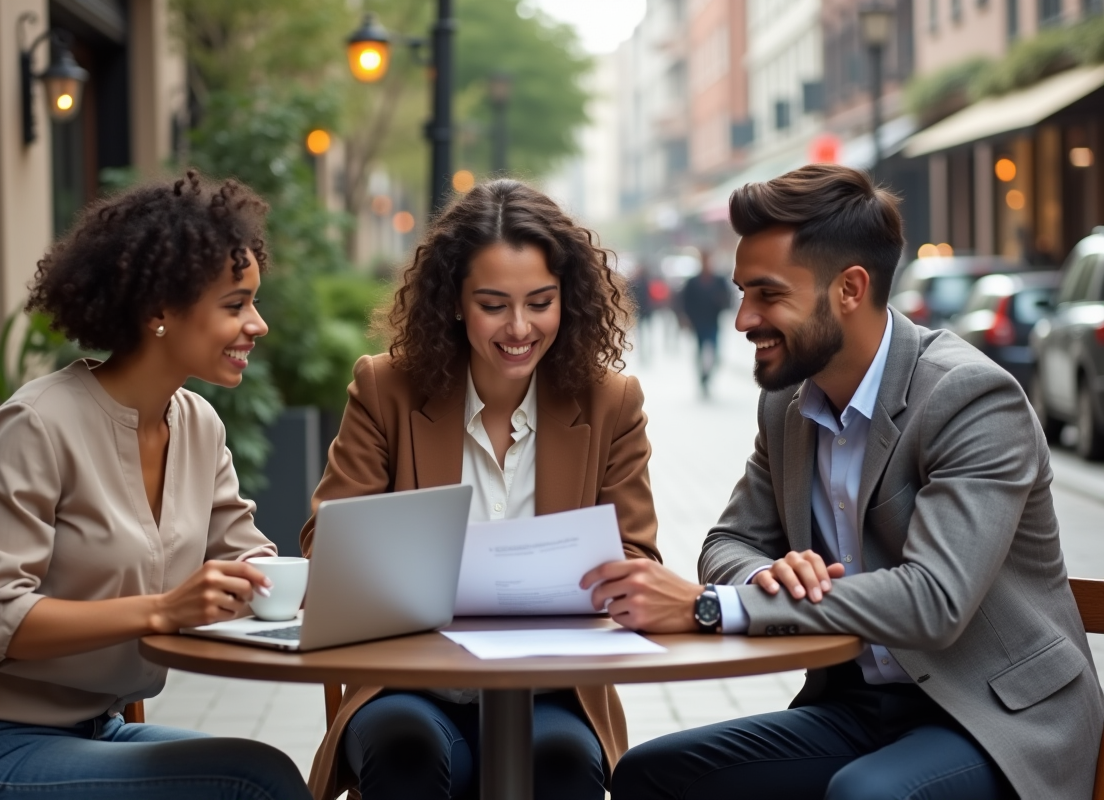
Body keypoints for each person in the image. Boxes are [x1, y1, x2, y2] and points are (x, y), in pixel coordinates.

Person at [583, 164, 1104, 800]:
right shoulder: (788, 404)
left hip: (999, 718)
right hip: (861, 709)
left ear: (850, 289)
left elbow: (932, 601)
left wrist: (714, 607)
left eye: (768, 295)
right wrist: (764, 576)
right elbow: (726, 542)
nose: (744, 318)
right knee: (649, 775)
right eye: (742, 291)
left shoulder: (970, 398)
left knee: (865, 796)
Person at [0, 171, 313, 800]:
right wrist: (163, 609)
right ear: (159, 311)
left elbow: (243, 553)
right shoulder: (36, 424)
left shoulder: (199, 424)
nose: (257, 325)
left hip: (95, 729)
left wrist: (282, 580)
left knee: (275, 774)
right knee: (251, 785)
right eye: (235, 305)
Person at [299, 179, 661, 800]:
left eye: (540, 302)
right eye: (493, 304)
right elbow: (326, 548)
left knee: (564, 764)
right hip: (408, 684)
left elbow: (640, 562)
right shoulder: (386, 389)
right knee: (403, 750)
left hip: (552, 691)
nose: (519, 327)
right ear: (454, 303)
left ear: (567, 301)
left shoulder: (610, 402)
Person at [678, 250, 732, 392]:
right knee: (700, 351)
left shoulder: (719, 280)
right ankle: (701, 375)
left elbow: (728, 300)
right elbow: (684, 302)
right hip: (697, 323)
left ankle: (707, 375)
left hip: (713, 321)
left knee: (715, 352)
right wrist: (684, 319)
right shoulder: (692, 281)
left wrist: (720, 300)